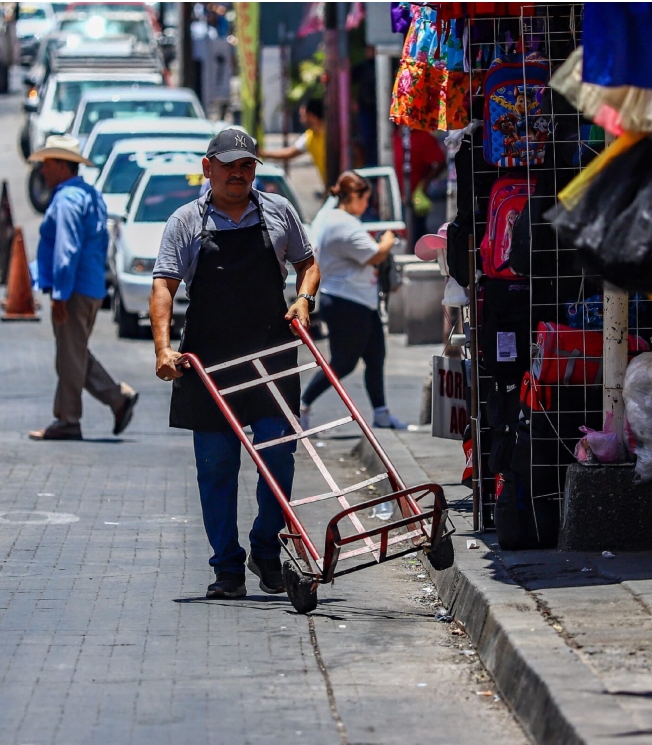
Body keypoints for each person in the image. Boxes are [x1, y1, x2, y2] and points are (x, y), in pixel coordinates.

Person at [151, 128, 321, 599]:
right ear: (209, 168)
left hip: (271, 355)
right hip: (210, 361)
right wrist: (163, 349)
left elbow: (308, 263)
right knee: (217, 466)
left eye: (247, 166)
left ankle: (266, 548)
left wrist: (304, 299)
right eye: (229, 166)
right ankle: (227, 567)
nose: (238, 175)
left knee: (278, 456)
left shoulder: (278, 211)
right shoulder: (185, 222)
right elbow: (163, 285)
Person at [27, 134, 138, 441]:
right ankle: (117, 398)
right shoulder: (88, 194)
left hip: (74, 289)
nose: (43, 171)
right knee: (74, 352)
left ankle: (68, 419)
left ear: (63, 166)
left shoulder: (66, 200)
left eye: (48, 164)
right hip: (89, 286)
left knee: (69, 354)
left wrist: (60, 294)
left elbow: (67, 250)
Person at [299, 170, 408, 432]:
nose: (366, 206)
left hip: (360, 301)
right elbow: (374, 255)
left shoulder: (334, 216)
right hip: (347, 302)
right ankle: (302, 404)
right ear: (354, 196)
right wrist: (388, 240)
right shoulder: (342, 224)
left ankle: (381, 413)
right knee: (343, 362)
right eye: (365, 199)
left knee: (376, 356)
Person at [259, 98, 327, 186]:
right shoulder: (309, 137)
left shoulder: (334, 134)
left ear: (311, 115)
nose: (301, 120)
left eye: (303, 116)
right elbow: (289, 152)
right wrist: (263, 153)